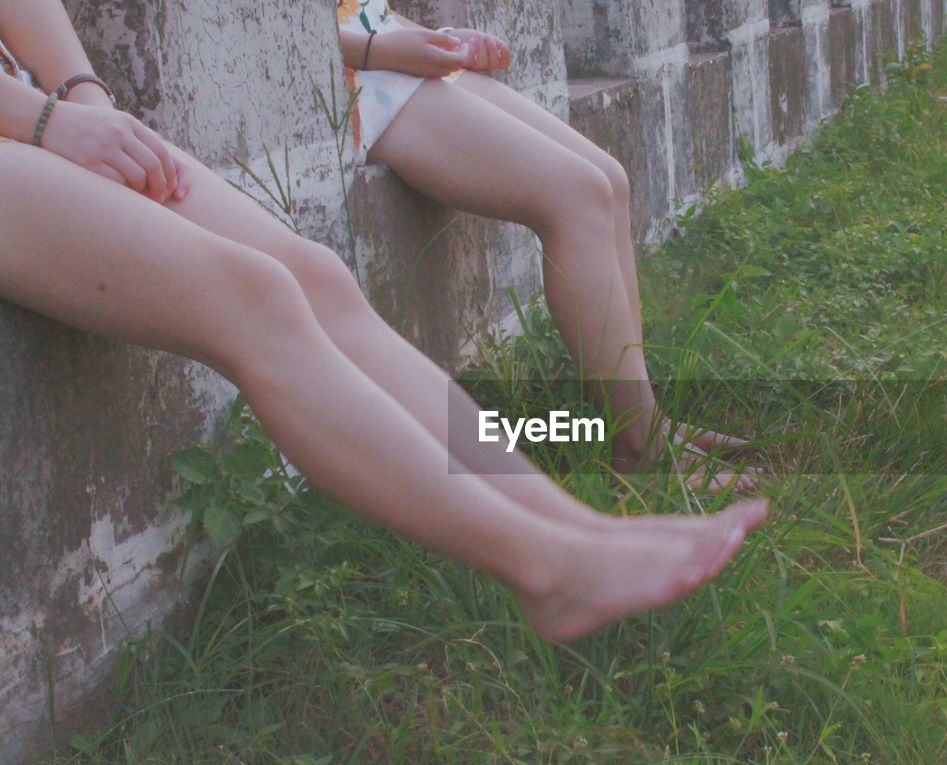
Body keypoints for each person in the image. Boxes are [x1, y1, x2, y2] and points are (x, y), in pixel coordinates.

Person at [0, 1, 768, 644]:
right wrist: (45, 120)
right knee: (255, 294)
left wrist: (81, 98)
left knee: (319, 280)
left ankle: (574, 529)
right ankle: (545, 564)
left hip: (36, 111)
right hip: (21, 124)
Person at [335, 0, 755, 491]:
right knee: (575, 197)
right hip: (350, 74)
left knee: (606, 181)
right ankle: (640, 452)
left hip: (378, 46)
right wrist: (380, 47)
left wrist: (436, 39)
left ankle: (646, 421)